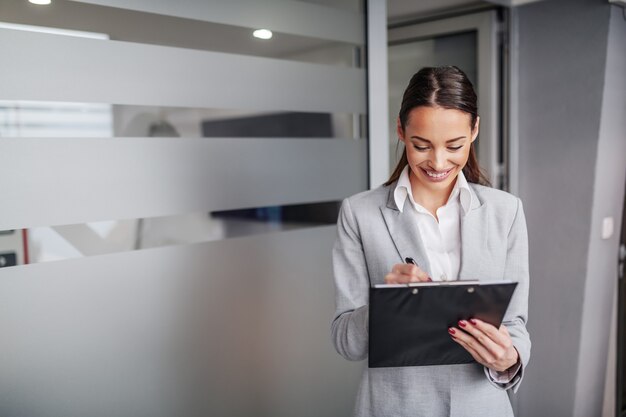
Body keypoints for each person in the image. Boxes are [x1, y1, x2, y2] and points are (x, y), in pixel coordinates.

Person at [331, 66, 530, 417]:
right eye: (421, 145)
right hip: (395, 406)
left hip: (480, 406)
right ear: (401, 131)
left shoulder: (506, 211)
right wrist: (386, 301)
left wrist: (509, 358)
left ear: (475, 130)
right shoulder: (359, 213)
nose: (438, 162)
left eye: (455, 146)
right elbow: (346, 341)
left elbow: (514, 324)